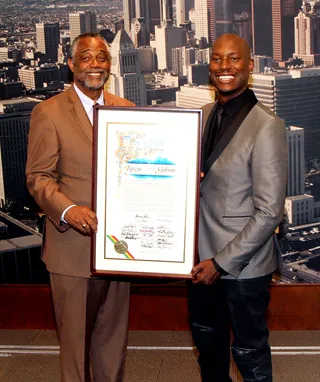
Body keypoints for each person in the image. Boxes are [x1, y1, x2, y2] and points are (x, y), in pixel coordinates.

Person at [26, 33, 135, 382]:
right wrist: (67, 210)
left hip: (119, 249)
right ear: (72, 65)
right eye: (86, 58)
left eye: (101, 58)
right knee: (75, 348)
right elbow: (38, 177)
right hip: (71, 251)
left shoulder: (128, 110)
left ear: (110, 65)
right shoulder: (49, 112)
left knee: (112, 342)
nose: (95, 64)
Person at [189, 33, 287, 382]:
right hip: (200, 263)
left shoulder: (266, 125)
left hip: (242, 268)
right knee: (208, 347)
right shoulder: (200, 115)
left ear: (249, 65)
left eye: (233, 59)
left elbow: (269, 211)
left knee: (249, 353)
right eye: (217, 59)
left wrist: (220, 263)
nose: (224, 67)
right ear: (209, 65)